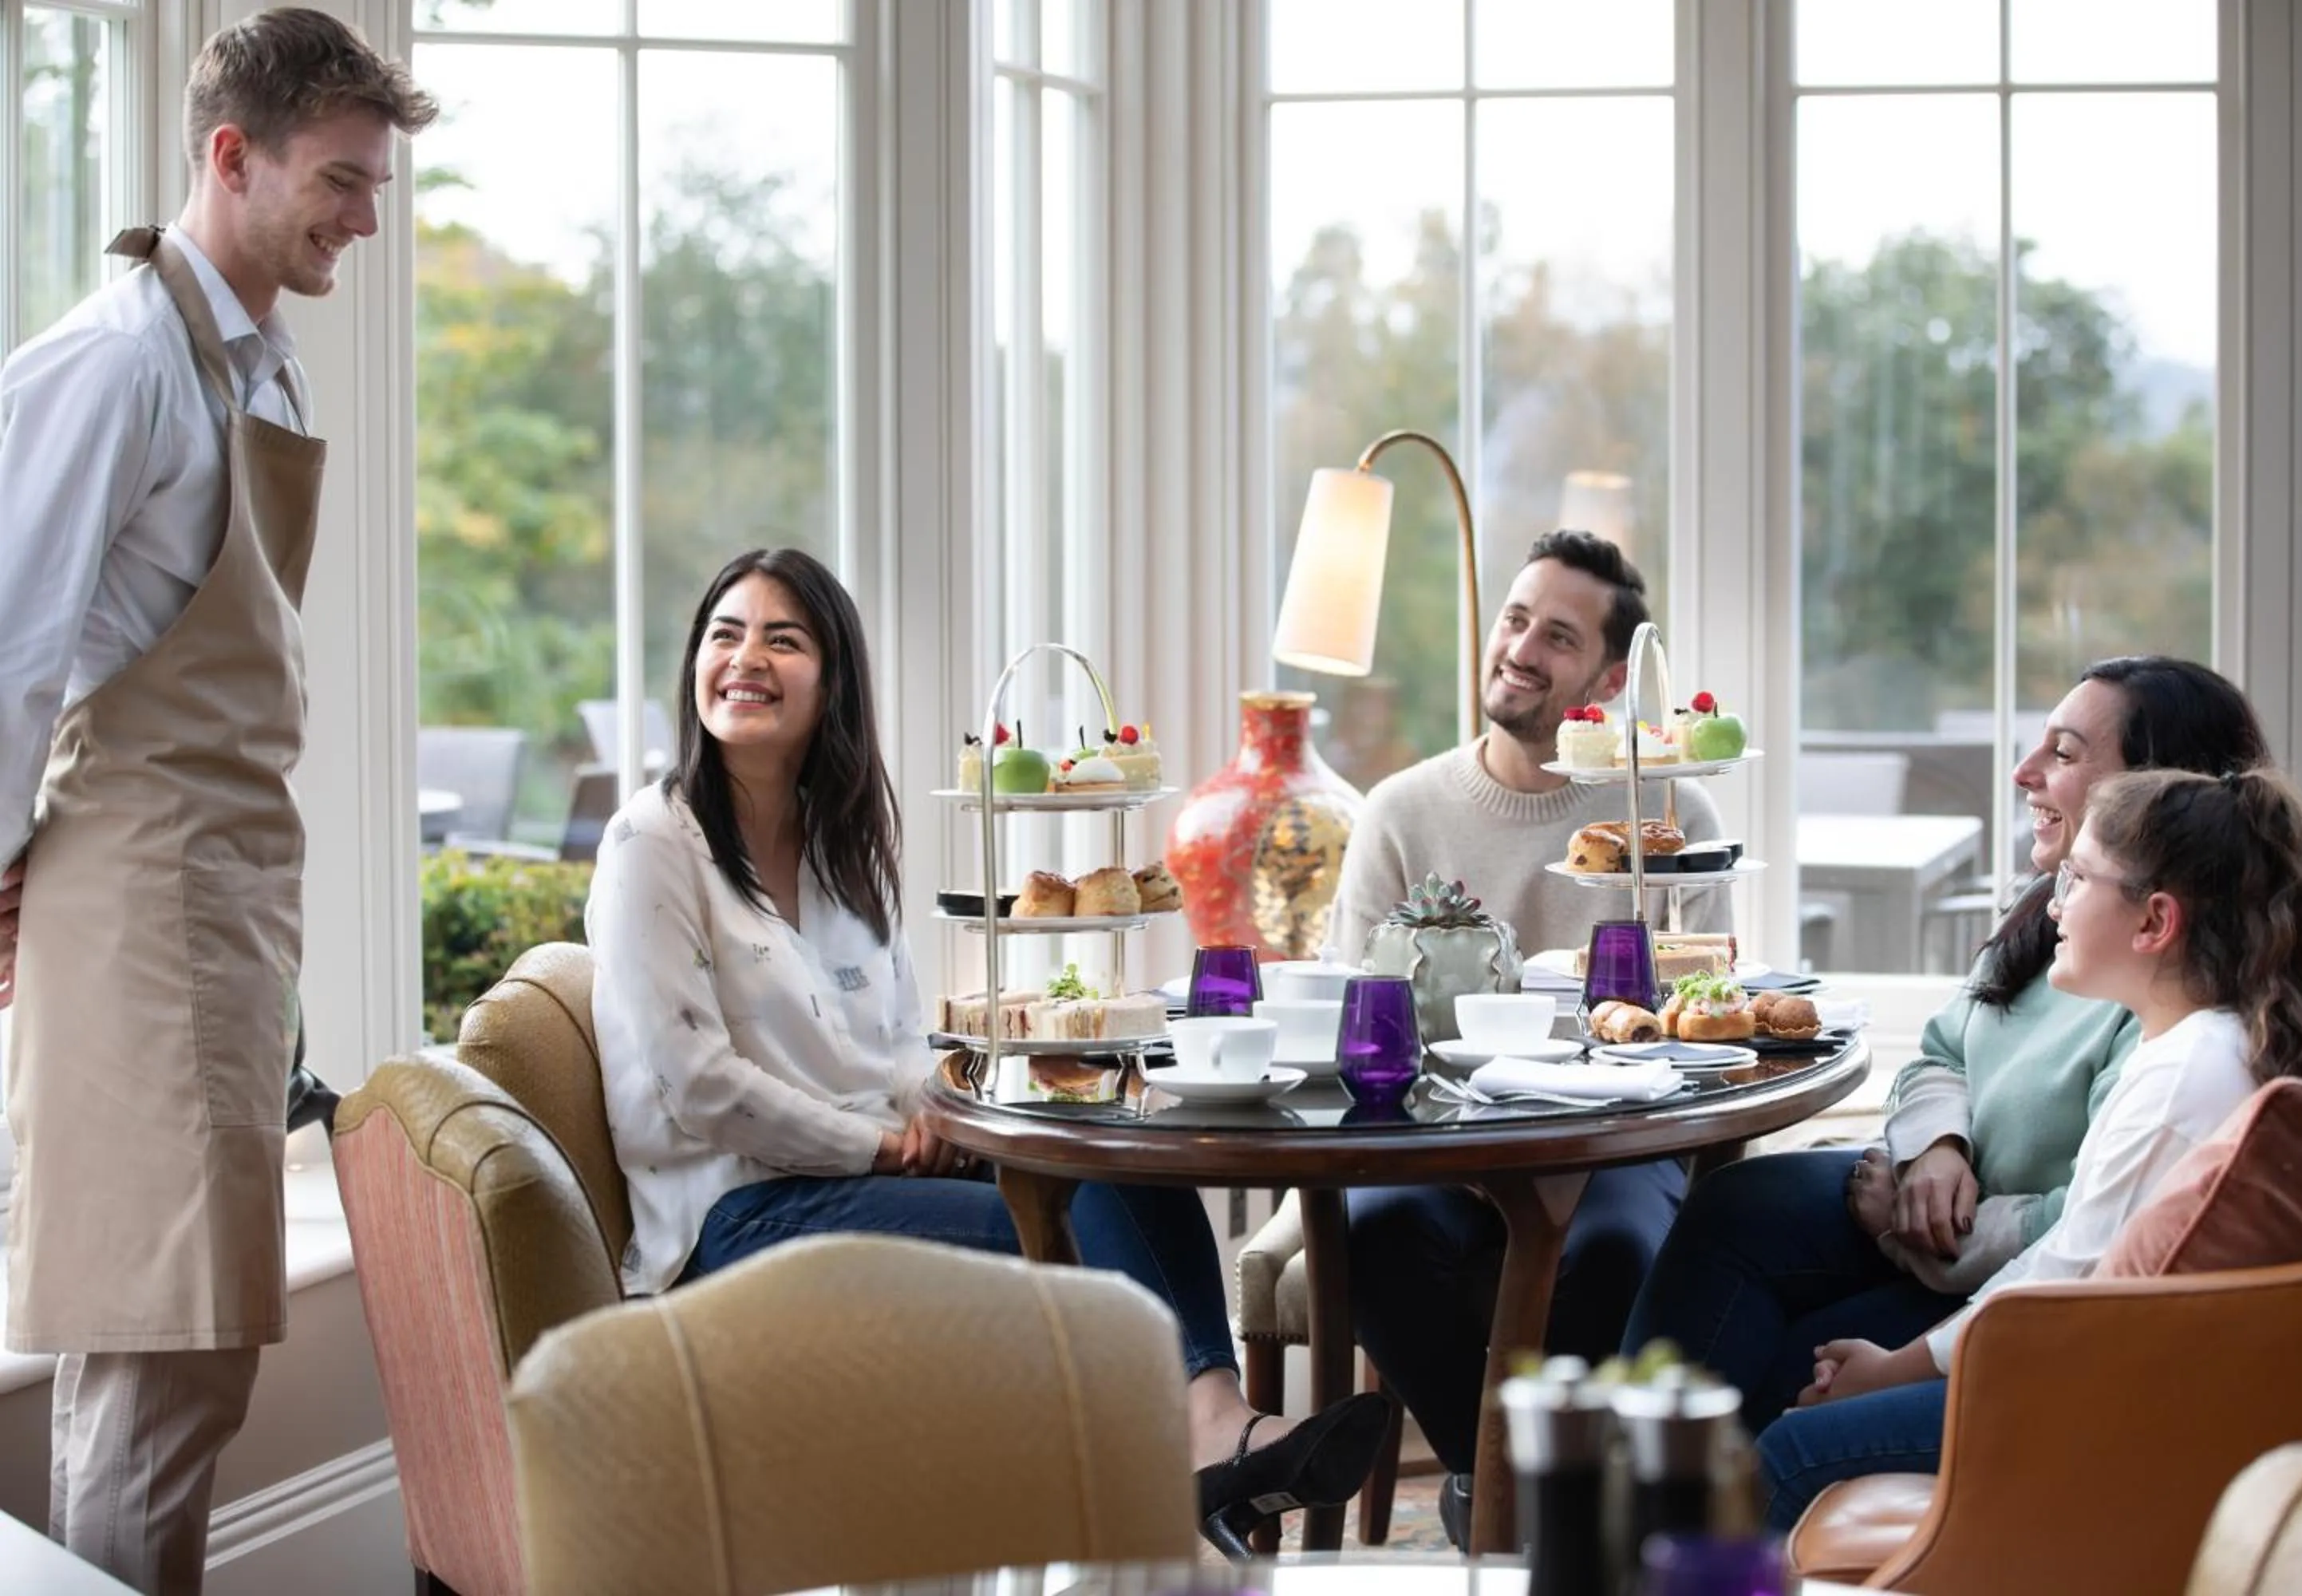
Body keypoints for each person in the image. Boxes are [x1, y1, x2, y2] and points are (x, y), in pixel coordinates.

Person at [586, 548, 1392, 1558]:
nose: (747, 658)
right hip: (734, 1220)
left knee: (1112, 1161)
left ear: (831, 682)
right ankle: (1190, 1492)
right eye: (726, 634)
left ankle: (1211, 1435)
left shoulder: (842, 850)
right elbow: (696, 1087)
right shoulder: (651, 844)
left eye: (782, 639)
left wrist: (945, 1117)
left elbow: (901, 1047)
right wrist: (881, 1145)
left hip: (856, 1186)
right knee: (1069, 1249)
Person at [0, 14, 434, 1592]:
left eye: (377, 187)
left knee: (189, 1365)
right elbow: (6, 644)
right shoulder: (115, 361)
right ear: (228, 156)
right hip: (137, 909)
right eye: (339, 181)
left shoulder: (252, 359)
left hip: (222, 907)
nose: (364, 219)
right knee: (153, 1360)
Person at [1621, 658, 2271, 1442]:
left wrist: (1912, 1227)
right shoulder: (2052, 909)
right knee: (1734, 1205)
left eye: (2064, 755)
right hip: (1942, 1202)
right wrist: (1935, 1147)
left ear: (2162, 790)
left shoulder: (2164, 986)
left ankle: (1676, 1522)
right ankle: (1614, 1499)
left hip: (1986, 1253)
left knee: (1793, 1363)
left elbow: (2090, 1230)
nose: (2024, 773)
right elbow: (1940, 1049)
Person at [1751, 764, 2302, 1528]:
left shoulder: (2189, 1076)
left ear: (2155, 922)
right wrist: (1899, 1366)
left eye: (2080, 879)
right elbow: (2066, 1254)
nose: (2053, 903)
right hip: (2134, 1382)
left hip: (2117, 1413)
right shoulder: (2210, 1041)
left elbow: (2062, 1278)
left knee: (1789, 1456)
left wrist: (1893, 1370)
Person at [1329, 530, 1724, 1548]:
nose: (1520, 648)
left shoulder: (1669, 806)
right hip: (1432, 1135)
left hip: (1617, 1140)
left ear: (1606, 675)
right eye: (1515, 619)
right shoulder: (1402, 811)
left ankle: (1519, 1510)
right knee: (1372, 1238)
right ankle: (1514, 1498)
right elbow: (1352, 1011)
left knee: (1614, 1252)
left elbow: (1699, 1008)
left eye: (1558, 635)